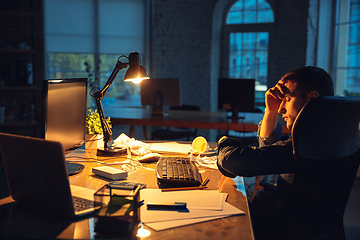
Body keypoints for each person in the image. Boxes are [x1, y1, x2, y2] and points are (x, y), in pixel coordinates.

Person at [216, 66, 334, 239]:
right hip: (305, 228)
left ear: (312, 98)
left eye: (286, 99)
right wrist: (269, 110)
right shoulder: (328, 136)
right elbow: (269, 152)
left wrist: (224, 142)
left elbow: (232, 162)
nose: (280, 109)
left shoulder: (303, 147)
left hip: (276, 227)